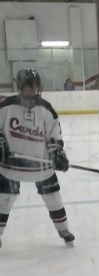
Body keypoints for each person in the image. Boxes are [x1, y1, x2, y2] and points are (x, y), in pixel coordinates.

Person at [0, 69, 74, 249]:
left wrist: (57, 154)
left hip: (42, 165)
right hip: (11, 165)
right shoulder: (6, 107)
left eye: (34, 85)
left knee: (53, 197)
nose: (32, 89)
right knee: (4, 198)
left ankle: (63, 230)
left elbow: (54, 136)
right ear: (20, 86)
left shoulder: (46, 109)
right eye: (28, 85)